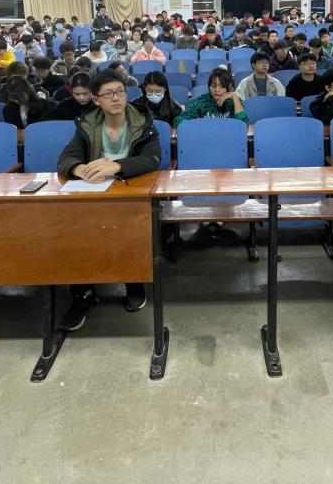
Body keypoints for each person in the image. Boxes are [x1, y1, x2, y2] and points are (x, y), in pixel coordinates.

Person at [56, 69, 162, 328]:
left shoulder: (142, 121)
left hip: (130, 195)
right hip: (95, 197)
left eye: (120, 92)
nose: (116, 98)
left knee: (131, 225)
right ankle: (83, 294)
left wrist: (118, 166)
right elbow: (66, 158)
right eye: (108, 94)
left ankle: (134, 282)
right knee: (72, 230)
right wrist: (78, 169)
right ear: (96, 99)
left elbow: (152, 159)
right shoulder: (87, 125)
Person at [174, 67, 248, 126]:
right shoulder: (201, 101)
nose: (217, 90)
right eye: (213, 86)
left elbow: (243, 124)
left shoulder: (235, 100)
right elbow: (179, 120)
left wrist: (234, 96)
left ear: (228, 86)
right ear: (209, 87)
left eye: (222, 86)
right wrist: (198, 127)